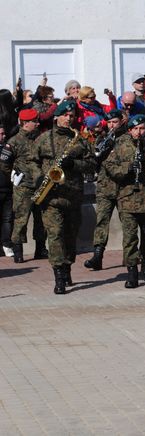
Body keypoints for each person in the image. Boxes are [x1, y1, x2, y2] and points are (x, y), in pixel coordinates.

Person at [32, 100, 95, 294]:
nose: (69, 118)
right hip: (51, 197)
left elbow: (92, 163)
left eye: (71, 115)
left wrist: (73, 165)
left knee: (70, 235)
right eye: (65, 115)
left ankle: (67, 266)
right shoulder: (43, 139)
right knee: (55, 234)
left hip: (73, 195)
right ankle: (58, 275)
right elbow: (30, 162)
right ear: (57, 116)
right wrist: (38, 177)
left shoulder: (80, 140)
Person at [104, 114, 145, 288]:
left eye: (142, 128)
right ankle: (132, 271)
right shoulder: (120, 145)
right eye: (135, 129)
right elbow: (110, 167)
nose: (138, 132)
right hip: (127, 198)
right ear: (130, 130)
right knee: (129, 237)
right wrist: (128, 168)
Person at [84, 109, 127, 271]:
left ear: (121, 121)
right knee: (102, 221)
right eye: (109, 123)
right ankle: (98, 255)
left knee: (128, 223)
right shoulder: (102, 138)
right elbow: (93, 162)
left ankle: (129, 256)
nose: (111, 125)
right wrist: (101, 153)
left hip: (124, 188)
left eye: (114, 122)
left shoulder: (127, 139)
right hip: (105, 187)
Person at [4, 109, 48, 262]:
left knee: (41, 218)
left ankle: (41, 249)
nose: (37, 123)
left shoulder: (40, 139)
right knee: (21, 219)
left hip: (40, 185)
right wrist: (14, 176)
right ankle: (18, 251)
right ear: (24, 123)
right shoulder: (14, 141)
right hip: (23, 187)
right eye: (34, 121)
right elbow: (4, 163)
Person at [0, 124, 14, 256]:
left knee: (7, 219)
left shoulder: (7, 148)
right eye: (1, 134)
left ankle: (6, 244)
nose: (3, 136)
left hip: (7, 189)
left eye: (4, 134)